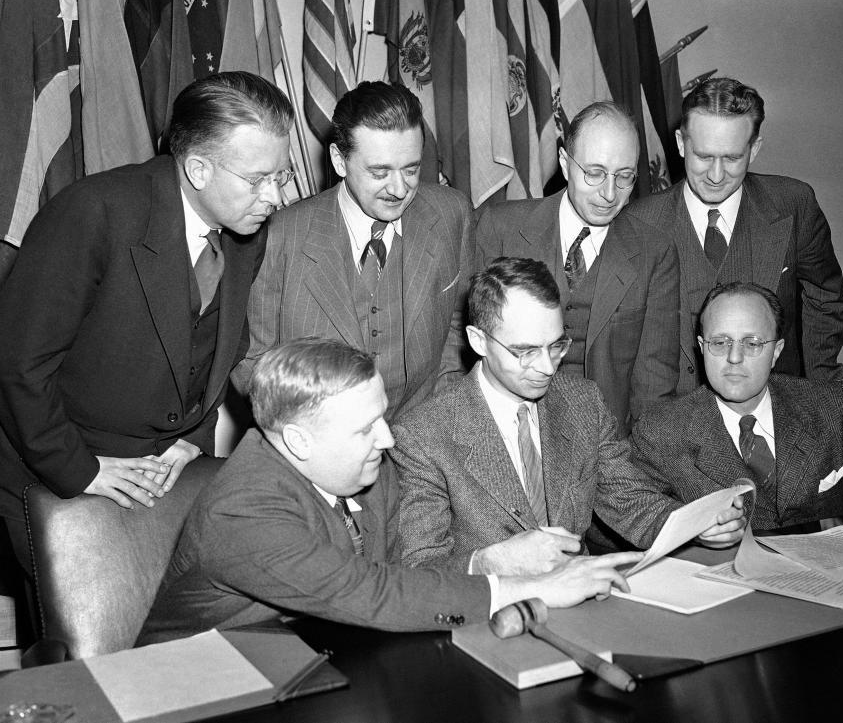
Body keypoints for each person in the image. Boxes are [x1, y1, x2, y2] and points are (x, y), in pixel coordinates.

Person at [137, 339, 643, 644]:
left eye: (382, 416)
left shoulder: (359, 468)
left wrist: (489, 561)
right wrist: (537, 588)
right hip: (202, 694)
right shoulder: (243, 511)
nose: (388, 437)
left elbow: (403, 572)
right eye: (366, 428)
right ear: (297, 439)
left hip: (312, 661)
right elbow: (370, 593)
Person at [0, 71, 293, 572]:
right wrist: (79, 470)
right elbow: (17, 363)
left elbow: (219, 344)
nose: (276, 197)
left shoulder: (245, 226)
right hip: (66, 469)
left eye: (281, 175)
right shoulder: (92, 213)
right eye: (258, 180)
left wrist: (193, 436)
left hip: (166, 472)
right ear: (198, 169)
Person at [390, 258, 744, 575]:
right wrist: (487, 562)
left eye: (556, 345)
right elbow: (420, 566)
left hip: (583, 603)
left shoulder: (582, 402)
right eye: (525, 352)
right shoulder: (422, 436)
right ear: (479, 341)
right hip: (491, 615)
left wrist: (694, 524)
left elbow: (629, 498)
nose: (546, 368)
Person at [632, 282, 843, 535]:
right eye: (720, 343)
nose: (734, 357)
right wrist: (691, 531)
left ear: (776, 351)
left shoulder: (829, 406)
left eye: (752, 343)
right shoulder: (661, 432)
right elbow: (633, 515)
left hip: (834, 588)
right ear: (702, 349)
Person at [233, 81, 473, 422]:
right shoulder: (277, 236)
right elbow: (252, 359)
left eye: (411, 169)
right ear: (339, 161)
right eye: (379, 172)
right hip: (318, 445)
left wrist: (442, 412)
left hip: (423, 436)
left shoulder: (452, 213)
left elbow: (457, 323)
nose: (399, 188)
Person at [626, 77, 843, 395]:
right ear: (679, 143)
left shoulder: (794, 205)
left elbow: (825, 299)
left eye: (731, 159)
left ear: (754, 149)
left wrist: (820, 393)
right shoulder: (637, 224)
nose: (715, 176)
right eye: (703, 156)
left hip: (779, 416)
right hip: (673, 426)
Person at [476, 102, 679, 435]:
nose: (609, 193)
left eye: (625, 177)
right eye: (594, 173)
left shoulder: (655, 252)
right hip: (505, 437)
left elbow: (654, 388)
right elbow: (463, 349)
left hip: (606, 446)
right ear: (564, 163)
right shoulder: (500, 228)